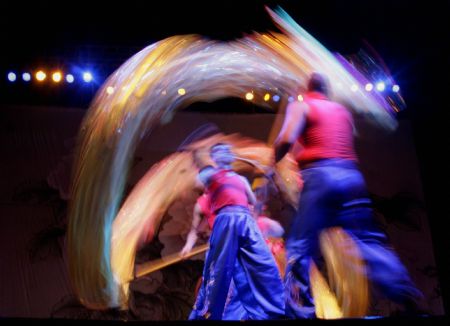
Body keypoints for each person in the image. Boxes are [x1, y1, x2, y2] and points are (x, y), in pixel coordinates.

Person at [273, 72, 422, 318]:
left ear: (307, 88)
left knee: (300, 246)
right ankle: (404, 291)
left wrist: (275, 157)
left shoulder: (302, 105)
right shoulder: (341, 112)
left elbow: (287, 139)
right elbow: (326, 141)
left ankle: (302, 313)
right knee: (366, 241)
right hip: (351, 177)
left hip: (321, 178)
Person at [187, 143, 285, 320]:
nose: (223, 155)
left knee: (260, 268)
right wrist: (188, 245)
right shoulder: (208, 184)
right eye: (218, 153)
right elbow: (196, 227)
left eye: (226, 152)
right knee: (223, 278)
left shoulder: (240, 181)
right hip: (227, 234)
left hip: (243, 226)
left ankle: (274, 309)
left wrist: (263, 172)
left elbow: (254, 203)